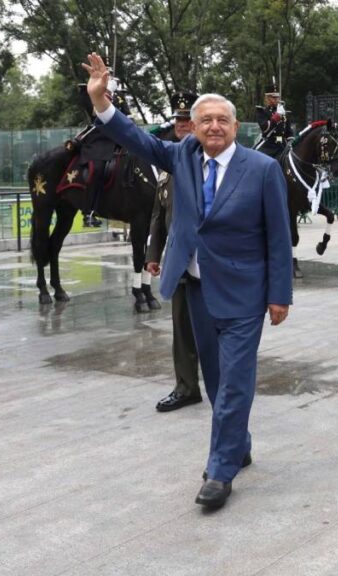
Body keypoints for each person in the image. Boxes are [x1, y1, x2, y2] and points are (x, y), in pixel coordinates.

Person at [82, 53, 293, 509]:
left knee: (235, 380)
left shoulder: (262, 170)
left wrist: (280, 295)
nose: (213, 127)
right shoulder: (182, 156)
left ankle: (220, 470)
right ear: (193, 127)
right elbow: (134, 138)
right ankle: (239, 442)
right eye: (205, 120)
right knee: (216, 380)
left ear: (236, 127)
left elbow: (279, 236)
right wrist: (102, 103)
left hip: (244, 295)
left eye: (222, 120)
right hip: (196, 289)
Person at [147, 90, 203, 413]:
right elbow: (159, 214)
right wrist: (153, 254)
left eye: (188, 120)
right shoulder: (169, 165)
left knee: (217, 328)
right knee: (181, 327)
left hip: (210, 260)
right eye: (179, 120)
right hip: (179, 261)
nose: (182, 125)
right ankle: (186, 386)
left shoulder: (207, 159)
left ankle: (226, 385)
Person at [73, 76, 131, 227]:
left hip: (120, 139)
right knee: (97, 169)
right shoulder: (94, 93)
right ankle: (89, 211)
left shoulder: (119, 97)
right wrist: (104, 93)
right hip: (99, 141)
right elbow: (94, 113)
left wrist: (115, 95)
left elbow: (128, 117)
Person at [254, 82, 292, 158]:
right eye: (273, 97)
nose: (276, 99)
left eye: (277, 97)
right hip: (268, 145)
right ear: (267, 98)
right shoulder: (262, 111)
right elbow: (265, 128)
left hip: (283, 145)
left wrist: (291, 141)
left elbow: (288, 131)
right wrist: (277, 115)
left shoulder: (283, 112)